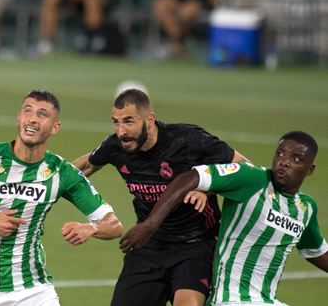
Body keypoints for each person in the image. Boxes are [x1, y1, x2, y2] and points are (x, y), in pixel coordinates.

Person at [0, 89, 124, 305]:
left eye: (42, 114)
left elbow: (115, 225)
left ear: (55, 127)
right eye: (28, 111)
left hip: (34, 290)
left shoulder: (61, 172)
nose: (33, 118)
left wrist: (91, 228)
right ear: (18, 118)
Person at [72, 88, 249, 306]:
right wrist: (50, 181)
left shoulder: (189, 140)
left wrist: (206, 186)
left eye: (129, 121)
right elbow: (87, 165)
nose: (121, 131)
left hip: (195, 245)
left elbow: (245, 168)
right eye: (116, 122)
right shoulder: (116, 146)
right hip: (147, 243)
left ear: (150, 119)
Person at [120, 131, 328, 306]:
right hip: (230, 300)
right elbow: (191, 177)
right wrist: (150, 224)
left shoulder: (306, 208)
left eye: (296, 158)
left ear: (310, 170)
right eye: (280, 153)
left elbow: (316, 251)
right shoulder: (251, 179)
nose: (284, 162)